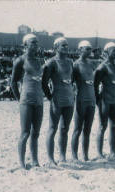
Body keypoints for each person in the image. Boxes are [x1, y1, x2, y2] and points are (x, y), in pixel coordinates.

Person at [10, 34, 44, 169]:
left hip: (39, 100)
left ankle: (35, 161)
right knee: (25, 132)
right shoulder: (20, 60)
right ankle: (22, 162)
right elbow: (12, 82)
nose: (36, 44)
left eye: (37, 42)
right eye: (33, 42)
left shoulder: (39, 60)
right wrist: (20, 99)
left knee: (36, 133)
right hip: (26, 100)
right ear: (25, 45)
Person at [42, 37, 75, 165]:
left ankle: (62, 156)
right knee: (52, 128)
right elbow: (44, 83)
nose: (66, 48)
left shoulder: (70, 62)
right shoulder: (51, 63)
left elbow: (70, 80)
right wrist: (50, 97)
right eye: (63, 46)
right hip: (57, 98)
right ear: (56, 47)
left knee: (65, 129)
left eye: (67, 45)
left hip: (69, 98)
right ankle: (50, 158)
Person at [94, 42, 115, 159]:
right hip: (105, 100)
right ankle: (99, 153)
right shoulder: (102, 67)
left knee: (114, 126)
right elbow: (95, 84)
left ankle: (112, 152)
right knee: (102, 126)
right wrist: (98, 100)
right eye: (113, 50)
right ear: (106, 52)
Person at [71, 40, 96, 161]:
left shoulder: (91, 64)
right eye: (87, 49)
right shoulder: (76, 64)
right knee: (77, 129)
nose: (89, 51)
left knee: (88, 129)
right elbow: (70, 82)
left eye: (90, 49)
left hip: (91, 99)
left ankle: (85, 155)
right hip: (81, 99)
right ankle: (75, 155)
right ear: (80, 50)